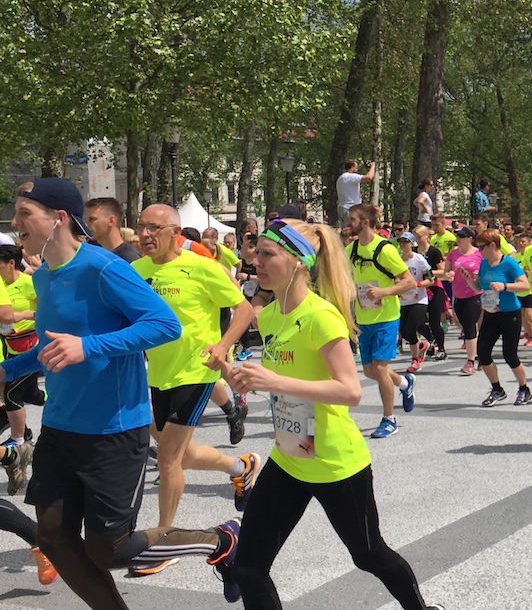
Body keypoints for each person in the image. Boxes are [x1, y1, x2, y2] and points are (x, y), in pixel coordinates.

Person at [1, 178, 240, 607]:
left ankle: (219, 540)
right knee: (53, 535)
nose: (15, 221)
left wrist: (87, 347)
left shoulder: (103, 268)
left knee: (109, 549)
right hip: (60, 426)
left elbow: (164, 325)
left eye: (24, 213)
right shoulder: (44, 279)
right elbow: (49, 348)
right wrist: (6, 370)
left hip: (112, 429)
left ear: (57, 220)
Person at [205, 219, 443, 610]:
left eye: (267, 254)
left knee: (369, 555)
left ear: (299, 261)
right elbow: (279, 378)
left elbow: (349, 391)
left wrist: (274, 382)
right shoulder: (271, 315)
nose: (255, 261)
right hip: (290, 456)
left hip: (335, 464)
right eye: (255, 252)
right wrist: (232, 372)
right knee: (249, 567)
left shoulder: (321, 317)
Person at [128, 204, 259, 575]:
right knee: (178, 454)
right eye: (141, 227)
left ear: (175, 231)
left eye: (154, 228)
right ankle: (241, 466)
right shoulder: (136, 272)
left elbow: (244, 310)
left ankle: (163, 540)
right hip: (156, 375)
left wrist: (222, 347)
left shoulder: (201, 267)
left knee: (168, 457)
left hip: (194, 373)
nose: (145, 235)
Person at [346, 204, 417, 440]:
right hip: (363, 318)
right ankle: (405, 383)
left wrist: (385, 292)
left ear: (365, 222)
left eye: (353, 219)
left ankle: (389, 419)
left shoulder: (385, 250)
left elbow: (409, 282)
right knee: (370, 372)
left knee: (379, 369)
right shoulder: (352, 249)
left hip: (386, 318)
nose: (349, 223)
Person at [466, 229, 532, 406]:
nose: (479, 251)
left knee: (510, 354)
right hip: (490, 313)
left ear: (493, 245)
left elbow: (524, 285)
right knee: (483, 352)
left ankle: (524, 388)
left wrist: (504, 286)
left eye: (481, 247)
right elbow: (479, 286)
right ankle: (497, 389)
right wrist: (469, 281)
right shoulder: (484, 264)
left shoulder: (509, 263)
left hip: (510, 313)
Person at [1, 244, 41, 472]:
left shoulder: (28, 284)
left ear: (11, 264)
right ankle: (25, 434)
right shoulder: (1, 286)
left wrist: (30, 316)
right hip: (10, 347)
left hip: (32, 347)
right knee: (33, 395)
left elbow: (45, 309)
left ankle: (18, 441)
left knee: (12, 393)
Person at [445, 227, 483, 374]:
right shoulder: (453, 254)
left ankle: (470, 361)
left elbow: (485, 270)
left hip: (474, 294)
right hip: (458, 295)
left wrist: (478, 274)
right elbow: (447, 271)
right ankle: (480, 354)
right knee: (460, 323)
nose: (458, 239)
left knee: (469, 326)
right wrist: (449, 275)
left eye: (462, 236)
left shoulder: (479, 254)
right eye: (458, 236)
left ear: (470, 238)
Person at [395, 232, 434, 373]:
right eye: (401, 242)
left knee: (412, 327)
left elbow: (431, 278)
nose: (403, 244)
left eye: (406, 242)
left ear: (412, 244)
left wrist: (417, 284)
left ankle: (415, 360)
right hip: (404, 300)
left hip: (419, 299)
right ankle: (422, 345)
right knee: (404, 332)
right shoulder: (397, 260)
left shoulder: (419, 259)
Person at [413, 226, 448, 360]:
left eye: (419, 237)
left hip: (434, 288)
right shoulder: (414, 251)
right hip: (419, 289)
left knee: (434, 321)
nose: (417, 240)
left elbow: (442, 271)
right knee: (418, 321)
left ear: (427, 236)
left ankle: (442, 348)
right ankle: (431, 341)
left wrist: (427, 272)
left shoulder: (434, 252)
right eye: (415, 237)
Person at [84, 197, 141, 262]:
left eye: (92, 219)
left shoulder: (130, 258)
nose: (87, 224)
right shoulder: (95, 255)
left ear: (111, 221)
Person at [336, 159, 376, 226]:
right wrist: (373, 167)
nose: (357, 168)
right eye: (356, 166)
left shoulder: (340, 178)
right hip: (351, 208)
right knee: (354, 230)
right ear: (352, 167)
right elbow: (368, 177)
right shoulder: (350, 176)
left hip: (342, 208)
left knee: (345, 232)